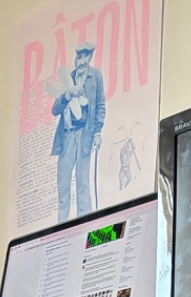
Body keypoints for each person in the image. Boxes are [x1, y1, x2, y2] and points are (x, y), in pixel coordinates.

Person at [50, 41, 106, 223]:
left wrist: (97, 132)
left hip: (85, 135)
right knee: (63, 184)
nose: (81, 61)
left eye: (85, 57)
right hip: (67, 135)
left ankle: (85, 228)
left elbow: (100, 105)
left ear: (90, 57)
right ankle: (61, 229)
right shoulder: (69, 77)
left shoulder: (96, 75)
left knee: (83, 184)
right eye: (78, 57)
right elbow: (54, 109)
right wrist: (67, 95)